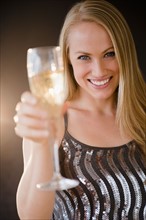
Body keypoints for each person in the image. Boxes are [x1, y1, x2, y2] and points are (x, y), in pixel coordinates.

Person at [14, 0, 146, 219]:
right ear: (68, 61)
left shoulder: (142, 112)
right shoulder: (50, 120)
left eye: (110, 54)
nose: (99, 70)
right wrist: (43, 147)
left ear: (125, 54)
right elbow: (31, 217)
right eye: (84, 57)